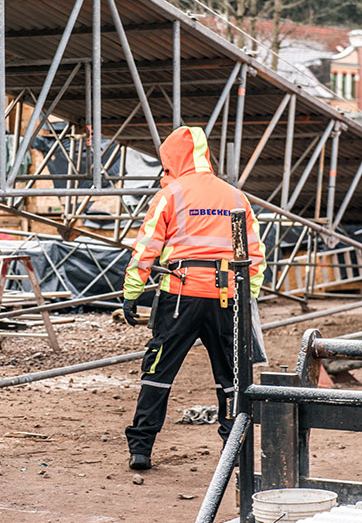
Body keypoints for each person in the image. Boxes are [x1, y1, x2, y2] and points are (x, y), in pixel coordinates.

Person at [121, 126, 267, 471]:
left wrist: (132, 292)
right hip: (226, 298)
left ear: (172, 158)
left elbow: (146, 247)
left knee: (158, 371)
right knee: (231, 378)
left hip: (180, 296)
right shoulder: (236, 197)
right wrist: (248, 298)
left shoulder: (171, 194)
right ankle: (233, 450)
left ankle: (141, 449)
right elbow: (255, 254)